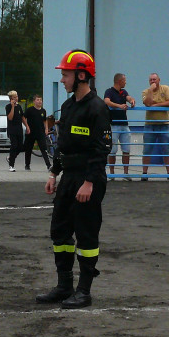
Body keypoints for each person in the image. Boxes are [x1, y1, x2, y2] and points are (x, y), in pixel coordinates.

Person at [36, 50, 111, 309]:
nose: (63, 79)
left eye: (65, 74)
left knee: (86, 236)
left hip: (89, 179)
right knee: (59, 231)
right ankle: (64, 286)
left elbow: (102, 150)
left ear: (81, 75)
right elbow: (62, 145)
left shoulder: (98, 108)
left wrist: (89, 182)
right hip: (68, 177)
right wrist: (53, 173)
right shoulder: (68, 107)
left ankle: (84, 291)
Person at [141, 72, 169, 180]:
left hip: (164, 125)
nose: (153, 81)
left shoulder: (165, 89)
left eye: (154, 79)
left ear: (159, 80)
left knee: (166, 149)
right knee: (147, 150)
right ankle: (144, 174)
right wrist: (151, 90)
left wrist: (156, 105)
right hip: (150, 126)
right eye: (151, 80)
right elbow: (147, 103)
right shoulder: (145, 91)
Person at [104, 73, 136, 178]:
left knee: (126, 149)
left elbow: (128, 97)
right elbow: (107, 101)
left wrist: (132, 101)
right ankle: (112, 173)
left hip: (124, 124)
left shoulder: (123, 92)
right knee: (112, 150)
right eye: (124, 80)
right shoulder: (109, 91)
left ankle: (126, 173)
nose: (126, 82)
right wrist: (119, 106)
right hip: (113, 125)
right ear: (119, 81)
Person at [24, 95, 52, 171]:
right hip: (31, 132)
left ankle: (48, 165)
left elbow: (45, 120)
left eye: (40, 100)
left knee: (44, 149)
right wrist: (27, 126)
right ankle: (27, 165)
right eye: (38, 100)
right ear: (34, 101)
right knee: (28, 149)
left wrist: (46, 129)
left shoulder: (43, 111)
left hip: (40, 132)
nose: (39, 101)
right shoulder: (30, 110)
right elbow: (23, 117)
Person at [5, 90, 28, 171]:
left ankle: (10, 157)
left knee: (20, 147)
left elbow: (22, 117)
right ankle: (11, 165)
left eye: (17, 97)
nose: (16, 99)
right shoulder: (8, 107)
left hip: (19, 129)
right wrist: (12, 107)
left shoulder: (19, 106)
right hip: (12, 129)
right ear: (11, 99)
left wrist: (27, 127)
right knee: (14, 145)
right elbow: (10, 117)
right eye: (14, 97)